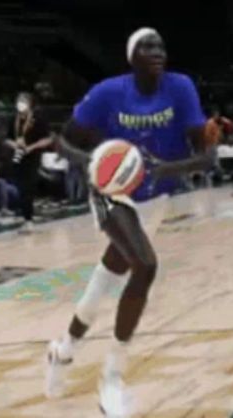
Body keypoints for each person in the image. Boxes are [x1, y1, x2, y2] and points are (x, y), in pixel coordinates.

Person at [44, 28, 212, 417]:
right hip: (110, 194)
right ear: (130, 56)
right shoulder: (108, 93)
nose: (156, 52)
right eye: (146, 46)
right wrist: (95, 164)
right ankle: (112, 378)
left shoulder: (181, 88)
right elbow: (63, 141)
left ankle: (63, 350)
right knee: (146, 265)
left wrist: (168, 168)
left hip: (155, 198)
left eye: (161, 45)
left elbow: (206, 157)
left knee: (108, 276)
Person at [10, 92, 53, 233]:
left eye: (23, 101)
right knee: (19, 188)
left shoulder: (38, 119)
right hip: (17, 157)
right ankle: (24, 216)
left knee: (28, 187)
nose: (20, 103)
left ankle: (28, 219)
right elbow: (6, 138)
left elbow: (48, 139)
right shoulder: (13, 119)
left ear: (29, 103)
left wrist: (31, 147)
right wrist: (15, 145)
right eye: (18, 100)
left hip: (32, 157)